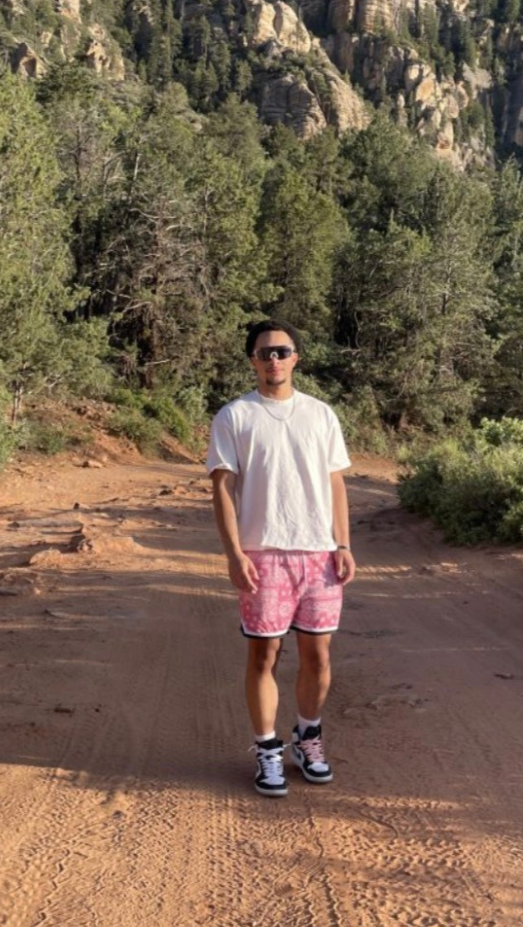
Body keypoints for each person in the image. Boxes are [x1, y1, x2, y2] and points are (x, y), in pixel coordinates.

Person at [207, 319, 356, 797]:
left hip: (319, 554)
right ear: (252, 359)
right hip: (263, 553)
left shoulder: (320, 414)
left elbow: (336, 483)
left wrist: (344, 544)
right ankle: (267, 748)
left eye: (282, 351)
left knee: (319, 654)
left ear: (296, 358)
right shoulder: (234, 416)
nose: (274, 359)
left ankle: (307, 736)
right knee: (264, 654)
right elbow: (222, 488)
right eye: (265, 352)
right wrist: (233, 552)